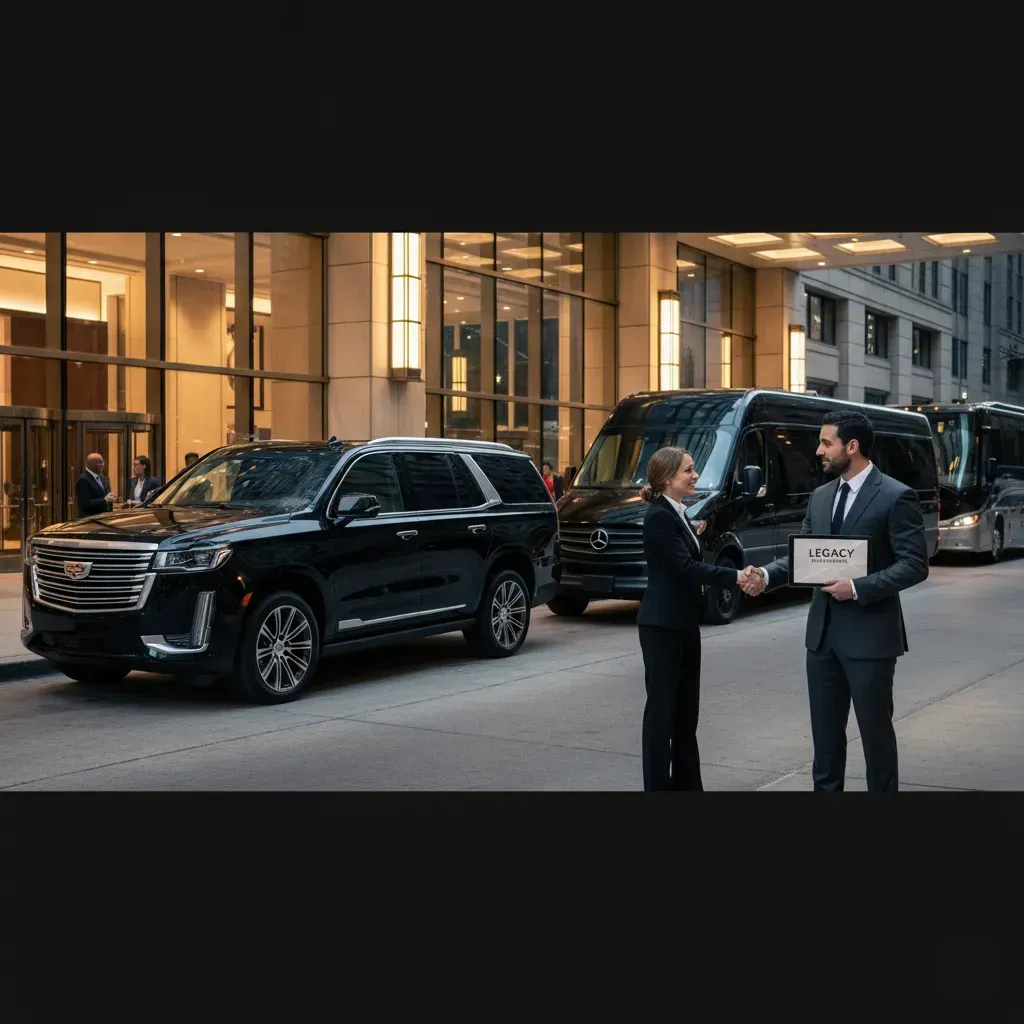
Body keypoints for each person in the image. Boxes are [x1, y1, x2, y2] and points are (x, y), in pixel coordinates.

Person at [740, 409, 929, 792]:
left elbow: (914, 565)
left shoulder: (895, 496)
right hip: (822, 640)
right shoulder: (820, 497)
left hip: (871, 639)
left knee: (876, 737)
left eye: (826, 443)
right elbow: (804, 556)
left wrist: (857, 588)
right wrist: (766, 575)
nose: (818, 451)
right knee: (825, 743)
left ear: (852, 446)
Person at [636, 445, 758, 791]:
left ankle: (689, 786)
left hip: (684, 623)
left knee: (687, 712)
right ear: (668, 477)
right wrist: (735, 577)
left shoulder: (678, 512)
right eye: (688, 470)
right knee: (661, 714)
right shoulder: (659, 516)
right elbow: (684, 567)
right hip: (661, 625)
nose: (695, 476)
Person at [75, 453, 116, 518]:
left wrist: (111, 497)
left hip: (106, 518)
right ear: (89, 464)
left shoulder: (104, 477)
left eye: (102, 462)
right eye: (98, 462)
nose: (101, 465)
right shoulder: (83, 480)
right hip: (91, 520)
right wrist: (104, 500)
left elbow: (106, 495)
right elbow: (85, 504)